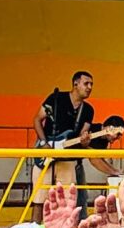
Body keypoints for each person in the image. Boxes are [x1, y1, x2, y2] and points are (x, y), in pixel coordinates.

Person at [34, 71, 101, 201]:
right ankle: (36, 222)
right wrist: (44, 143)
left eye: (91, 84)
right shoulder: (56, 99)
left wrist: (85, 141)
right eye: (86, 83)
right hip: (46, 153)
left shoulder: (88, 110)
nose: (90, 87)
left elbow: (83, 137)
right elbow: (37, 119)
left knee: (67, 201)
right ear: (75, 84)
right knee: (39, 200)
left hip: (68, 158)